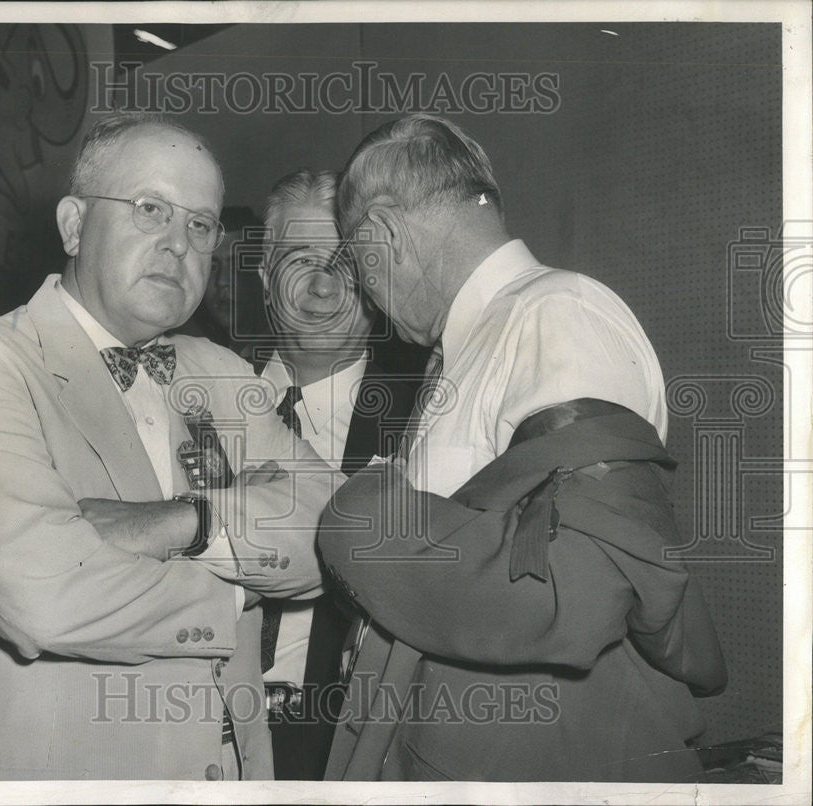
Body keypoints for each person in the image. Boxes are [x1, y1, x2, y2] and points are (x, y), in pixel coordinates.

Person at [0, 112, 337, 780]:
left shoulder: (217, 371)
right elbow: (43, 597)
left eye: (200, 224)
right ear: (74, 225)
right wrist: (238, 591)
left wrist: (187, 523)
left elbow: (332, 528)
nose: (178, 245)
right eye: (149, 209)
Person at [317, 114, 727, 781]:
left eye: (357, 265)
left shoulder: (557, 315)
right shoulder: (486, 339)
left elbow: (584, 584)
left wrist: (357, 515)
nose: (365, 296)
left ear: (382, 235)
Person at [254, 169, 417, 779]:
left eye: (347, 265)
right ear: (264, 274)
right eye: (300, 260)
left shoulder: (425, 418)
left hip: (344, 749)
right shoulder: (189, 392)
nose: (323, 287)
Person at [178, 206, 266, 361]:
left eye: (237, 265)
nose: (222, 281)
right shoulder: (188, 355)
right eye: (212, 266)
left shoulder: (287, 356)